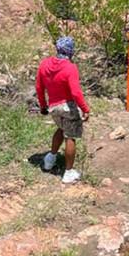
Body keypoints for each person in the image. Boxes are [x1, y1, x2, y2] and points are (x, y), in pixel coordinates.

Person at [36, 37, 91, 184]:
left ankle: (50, 159)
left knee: (61, 129)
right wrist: (85, 109)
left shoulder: (44, 64)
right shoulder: (70, 67)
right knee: (70, 136)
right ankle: (68, 172)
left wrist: (43, 106)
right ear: (71, 51)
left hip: (53, 106)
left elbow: (39, 88)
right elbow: (76, 92)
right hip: (68, 106)